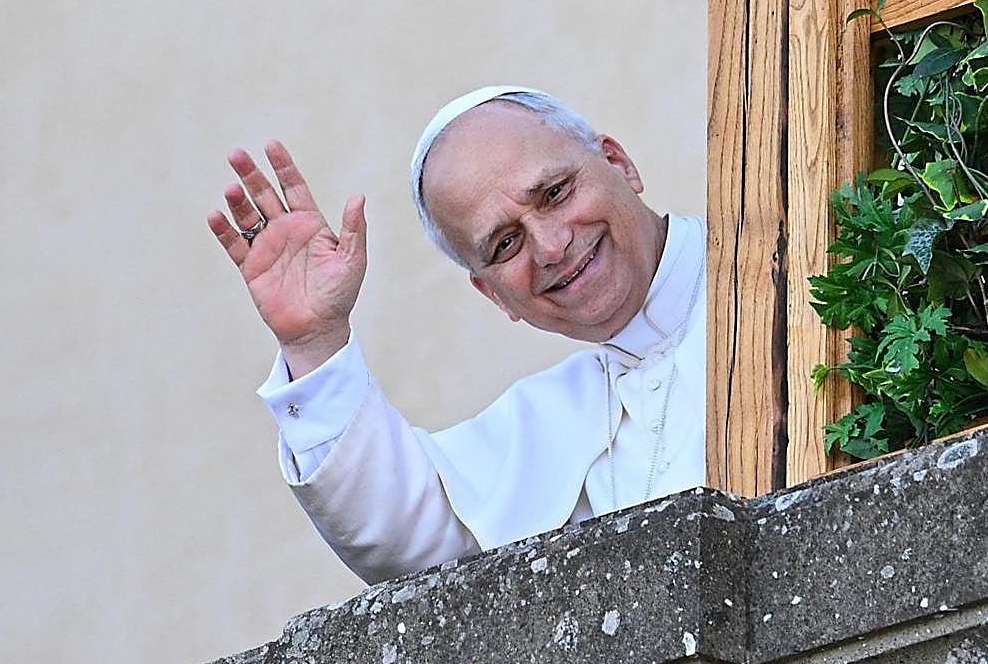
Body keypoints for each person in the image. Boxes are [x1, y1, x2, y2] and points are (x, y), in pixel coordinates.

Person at [206, 86, 706, 584]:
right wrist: (314, 342)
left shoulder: (778, 269)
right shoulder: (549, 418)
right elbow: (405, 535)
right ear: (494, 295)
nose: (551, 247)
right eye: (506, 244)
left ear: (619, 164)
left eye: (555, 193)